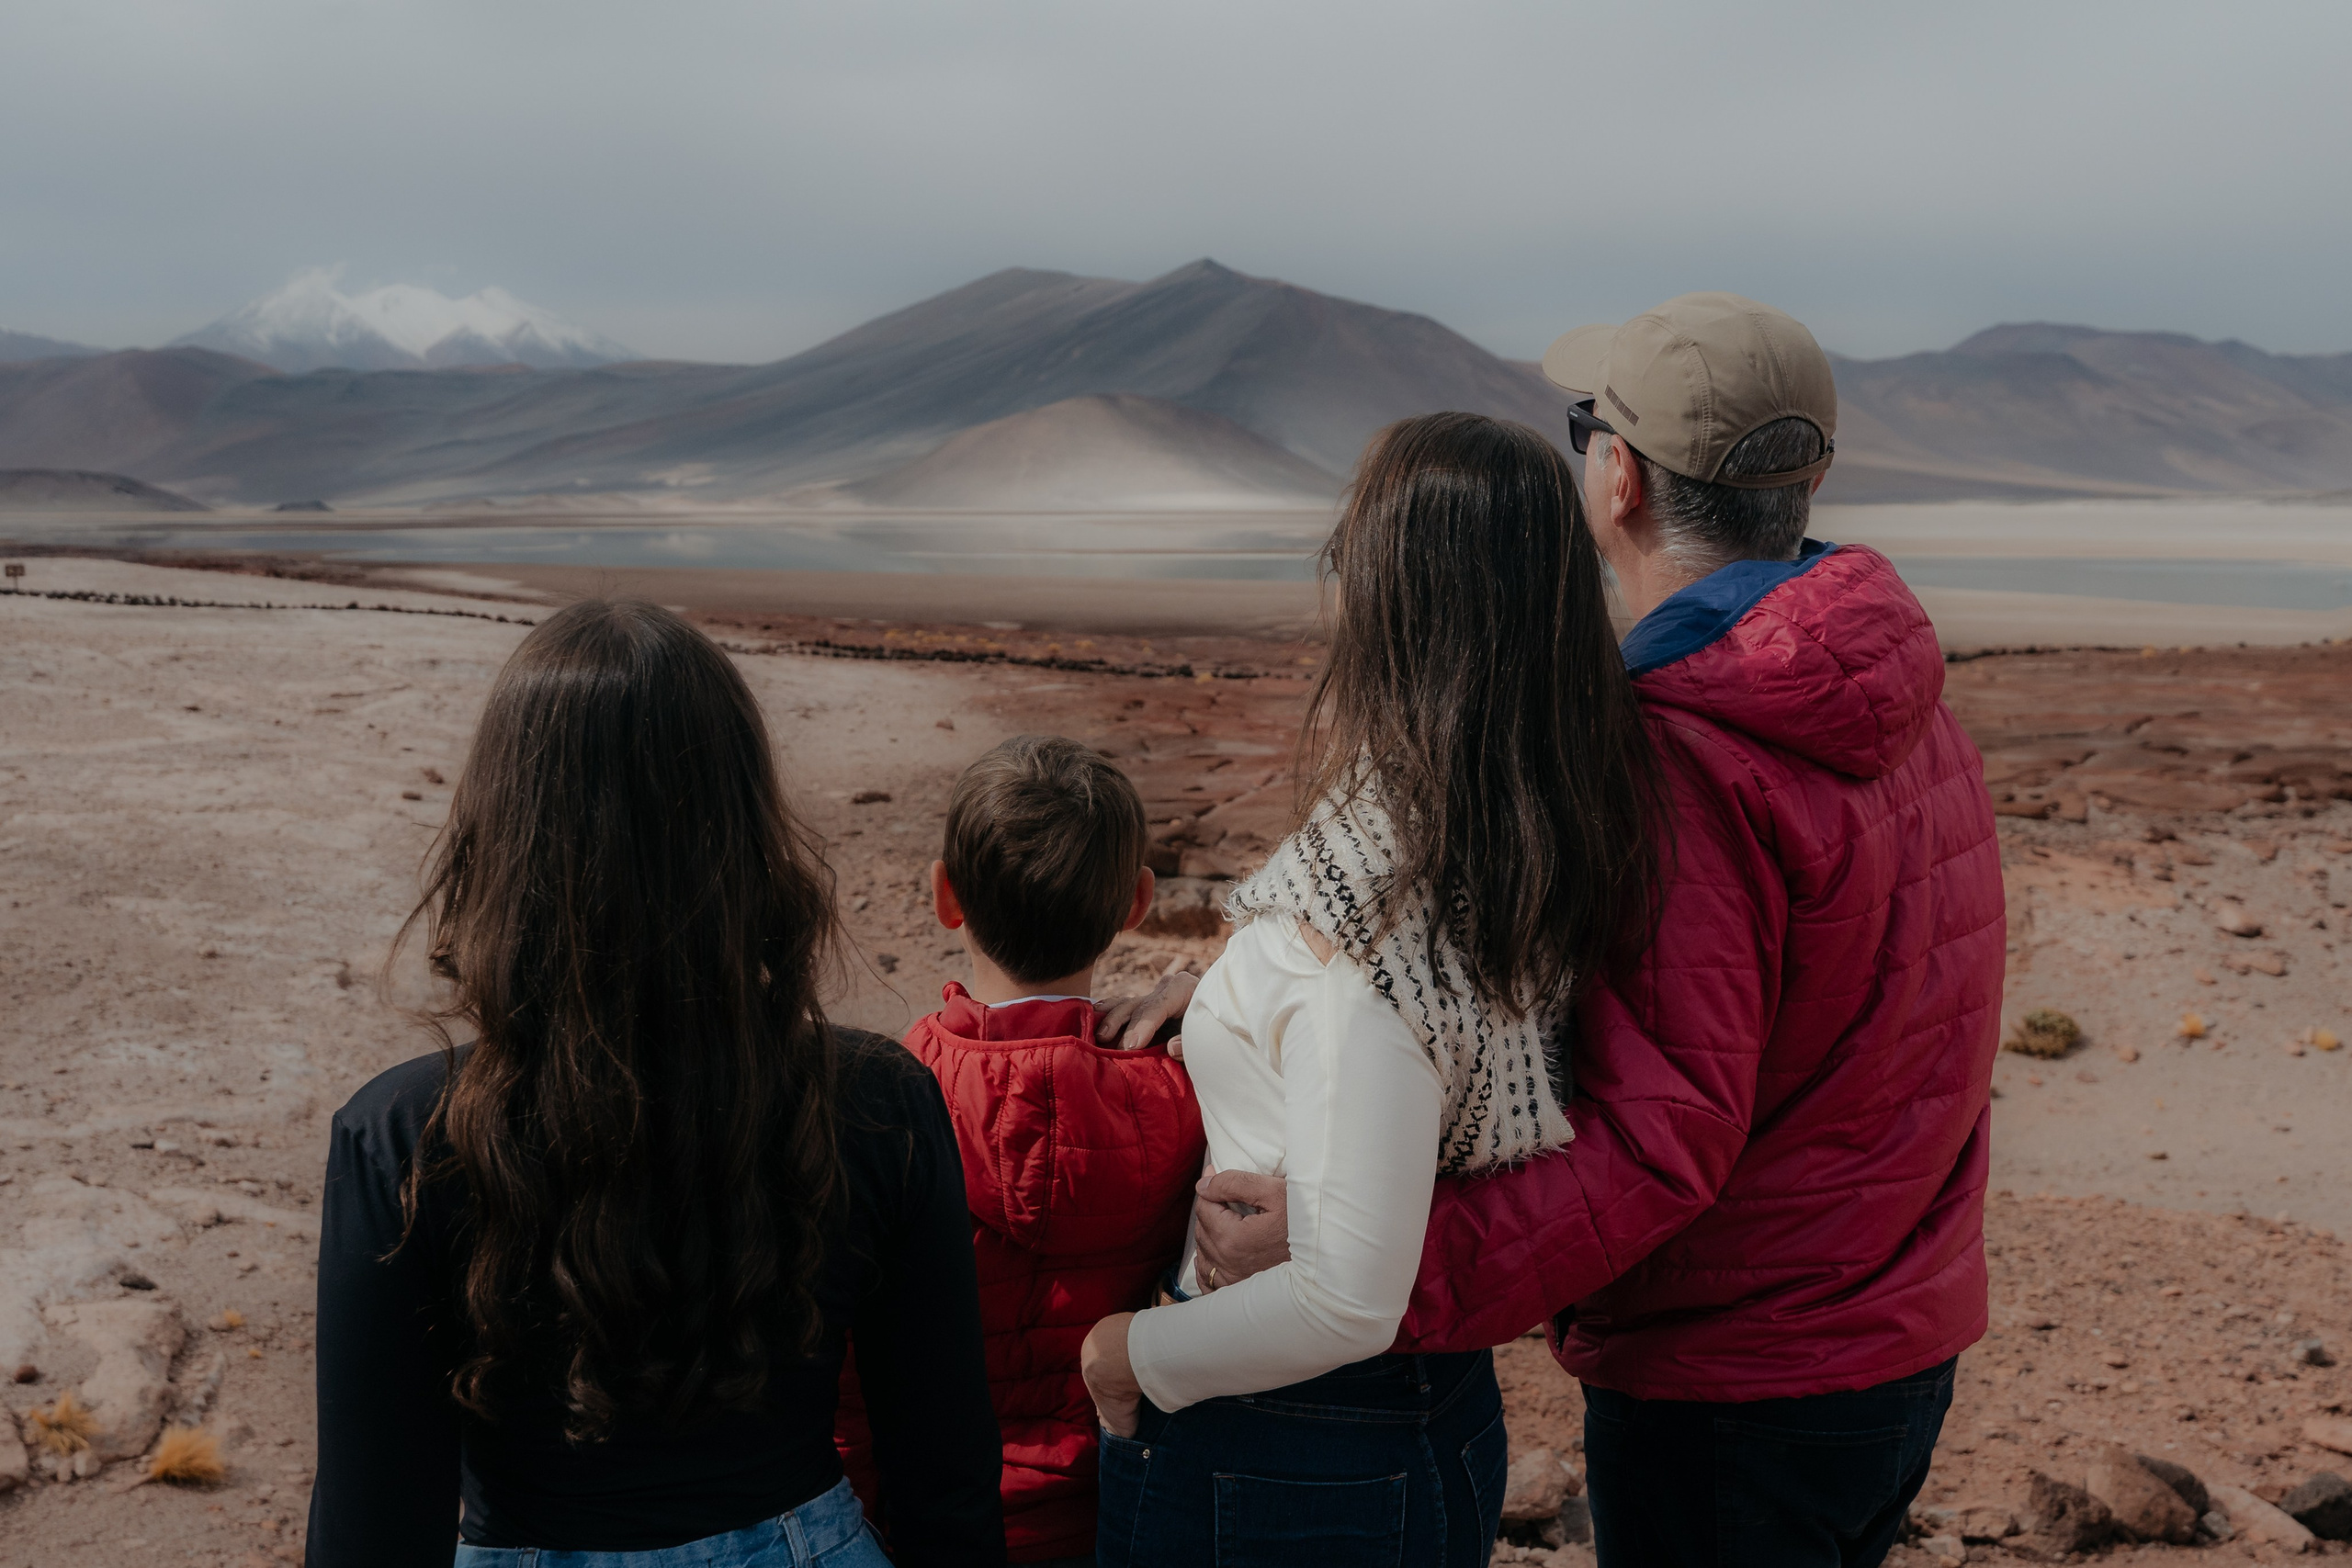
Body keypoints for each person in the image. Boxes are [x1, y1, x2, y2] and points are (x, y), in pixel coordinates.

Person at [1148, 295, 2007, 1568]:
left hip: (1740, 1379)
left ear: (1617, 479)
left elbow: (1665, 1133)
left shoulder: (1682, 752)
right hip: (1896, 1340)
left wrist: (1374, 1255)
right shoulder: (1900, 694)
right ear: (1811, 474)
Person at [1077, 412, 1665, 1568]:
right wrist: (1241, 979)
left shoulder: (1369, 927)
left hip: (1284, 1437)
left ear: (1403, 603)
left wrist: (1122, 1357)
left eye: (1352, 555)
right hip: (1424, 1421)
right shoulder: (1524, 842)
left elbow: (1344, 1297)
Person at [305, 599, 1004, 1568]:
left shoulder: (402, 1137)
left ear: (502, 834)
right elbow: (945, 1469)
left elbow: (374, 1522)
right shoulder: (878, 1101)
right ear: (741, 823)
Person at [834, 735, 1204, 1566]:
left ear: (945, 895)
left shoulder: (891, 1095)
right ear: (1137, 903)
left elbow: (851, 1373)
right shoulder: (1183, 1096)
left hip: (939, 1520)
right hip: (1123, 1512)